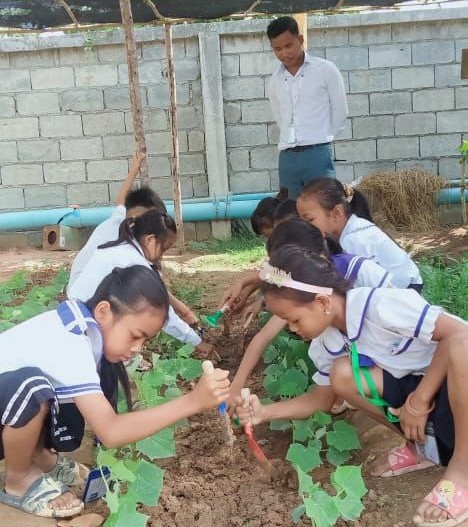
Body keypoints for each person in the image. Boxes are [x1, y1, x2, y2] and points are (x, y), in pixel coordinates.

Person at [236, 246, 468, 527]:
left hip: (456, 384)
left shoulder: (381, 305)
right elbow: (322, 398)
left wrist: (419, 402)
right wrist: (264, 413)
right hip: (432, 401)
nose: (291, 329)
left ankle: (461, 471)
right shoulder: (326, 343)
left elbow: (458, 336)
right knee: (341, 375)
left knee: (462, 346)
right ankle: (423, 447)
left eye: (294, 320)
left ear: (323, 303)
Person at [0, 265, 230, 519]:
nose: (137, 349)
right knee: (31, 387)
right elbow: (110, 431)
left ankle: (40, 458)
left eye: (144, 342)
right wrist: (193, 401)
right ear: (103, 311)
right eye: (135, 336)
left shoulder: (86, 336)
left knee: (57, 393)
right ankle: (18, 480)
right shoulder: (71, 341)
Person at [229, 219, 392, 408]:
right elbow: (264, 333)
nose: (292, 326)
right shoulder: (303, 292)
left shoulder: (358, 275)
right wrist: (237, 386)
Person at [68, 210, 213, 356]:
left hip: (72, 312)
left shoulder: (122, 247)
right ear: (149, 240)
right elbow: (161, 314)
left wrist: (183, 310)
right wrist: (196, 342)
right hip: (86, 327)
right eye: (163, 248)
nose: (162, 255)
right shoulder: (135, 262)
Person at [266, 16, 348, 199]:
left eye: (288, 46)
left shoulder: (326, 70)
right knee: (289, 210)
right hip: (287, 156)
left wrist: (321, 137)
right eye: (277, 49)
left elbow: (340, 111)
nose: (284, 53)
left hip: (318, 152)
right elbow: (279, 116)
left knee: (324, 206)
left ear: (300, 40)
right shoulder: (274, 80)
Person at [297, 177, 423, 290]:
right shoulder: (352, 229)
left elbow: (355, 286)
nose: (305, 226)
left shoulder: (354, 240)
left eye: (310, 220)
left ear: (336, 213)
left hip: (404, 290)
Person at [67, 151, 166, 293]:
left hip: (77, 288)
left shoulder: (123, 220)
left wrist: (135, 167)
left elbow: (121, 201)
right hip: (89, 297)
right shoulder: (128, 245)